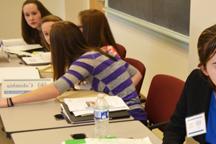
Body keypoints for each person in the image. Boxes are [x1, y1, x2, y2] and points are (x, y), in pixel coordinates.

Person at [0, 22, 146, 121]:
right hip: (123, 110)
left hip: (130, 116)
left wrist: (10, 101)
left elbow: (55, 89)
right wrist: (119, 92)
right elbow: (134, 72)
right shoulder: (94, 52)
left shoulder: (87, 59)